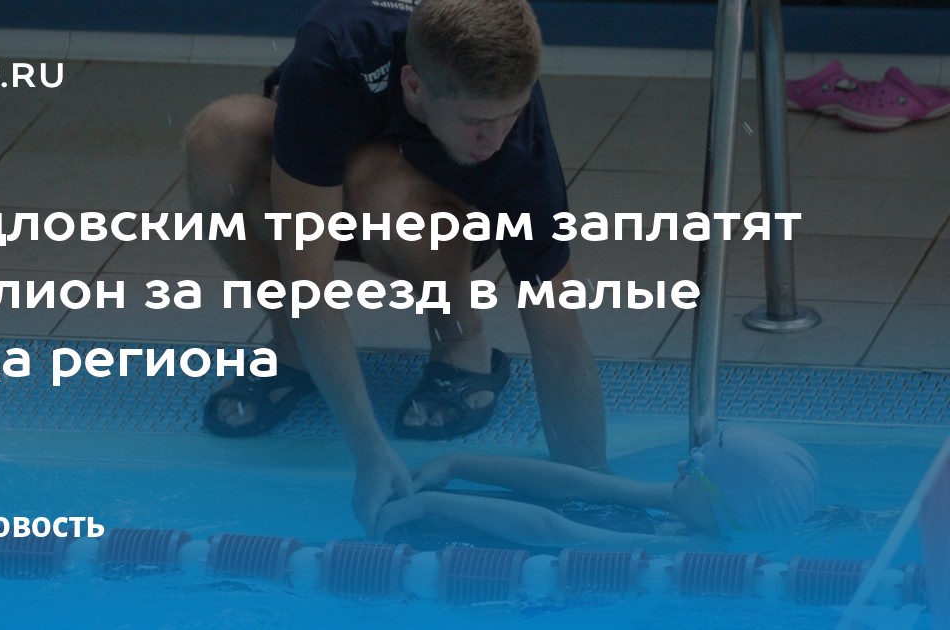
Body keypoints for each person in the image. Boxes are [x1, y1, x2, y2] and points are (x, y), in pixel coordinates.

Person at [183, 0, 607, 537]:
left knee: (382, 184)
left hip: (436, 216)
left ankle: (462, 345)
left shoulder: (516, 142)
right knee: (219, 135)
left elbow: (559, 339)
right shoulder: (332, 57)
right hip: (320, 185)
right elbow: (310, 285)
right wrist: (370, 452)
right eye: (476, 122)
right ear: (413, 85)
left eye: (511, 114)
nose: (496, 138)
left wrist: (597, 493)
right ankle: (294, 351)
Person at [376, 426, 820, 547]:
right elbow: (578, 483)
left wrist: (431, 504)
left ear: (723, 507)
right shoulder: (701, 511)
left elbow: (551, 532)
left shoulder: (687, 553)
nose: (680, 465)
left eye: (695, 469)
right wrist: (457, 464)